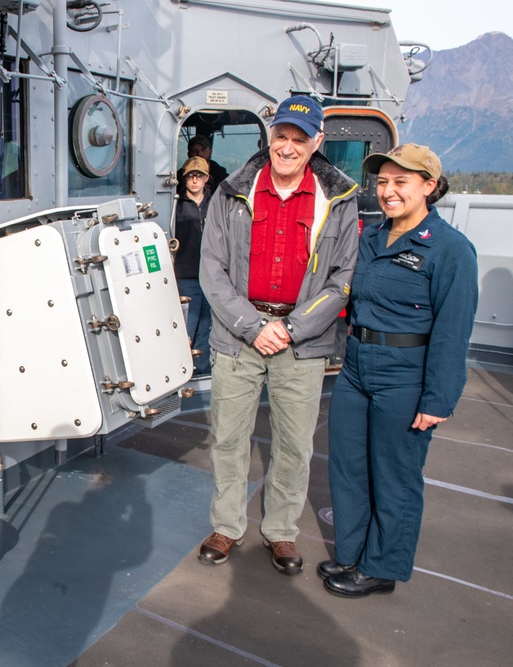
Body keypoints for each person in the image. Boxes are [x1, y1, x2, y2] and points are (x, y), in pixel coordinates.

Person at [197, 95, 359, 575]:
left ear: (317, 143)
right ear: (270, 137)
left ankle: (281, 532)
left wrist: (289, 328)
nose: (288, 146)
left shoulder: (339, 200)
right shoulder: (231, 192)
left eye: (299, 138)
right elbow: (213, 270)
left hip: (302, 341)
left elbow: (342, 278)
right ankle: (226, 526)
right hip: (238, 336)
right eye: (281, 136)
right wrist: (252, 325)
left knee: (293, 443)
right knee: (228, 437)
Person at [321, 145, 478, 597]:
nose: (388, 192)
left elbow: (453, 331)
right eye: (383, 182)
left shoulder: (450, 250)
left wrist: (437, 399)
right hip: (356, 368)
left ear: (429, 186)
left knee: (394, 474)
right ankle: (351, 555)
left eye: (400, 182)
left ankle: (382, 568)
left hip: (405, 374)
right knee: (348, 467)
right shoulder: (370, 237)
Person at [172, 156, 213, 375]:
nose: (195, 180)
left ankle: (202, 370)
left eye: (199, 176)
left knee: (207, 327)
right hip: (186, 277)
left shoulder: (216, 204)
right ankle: (182, 372)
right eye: (190, 176)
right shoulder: (176, 206)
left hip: (211, 277)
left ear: (207, 178)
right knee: (186, 327)